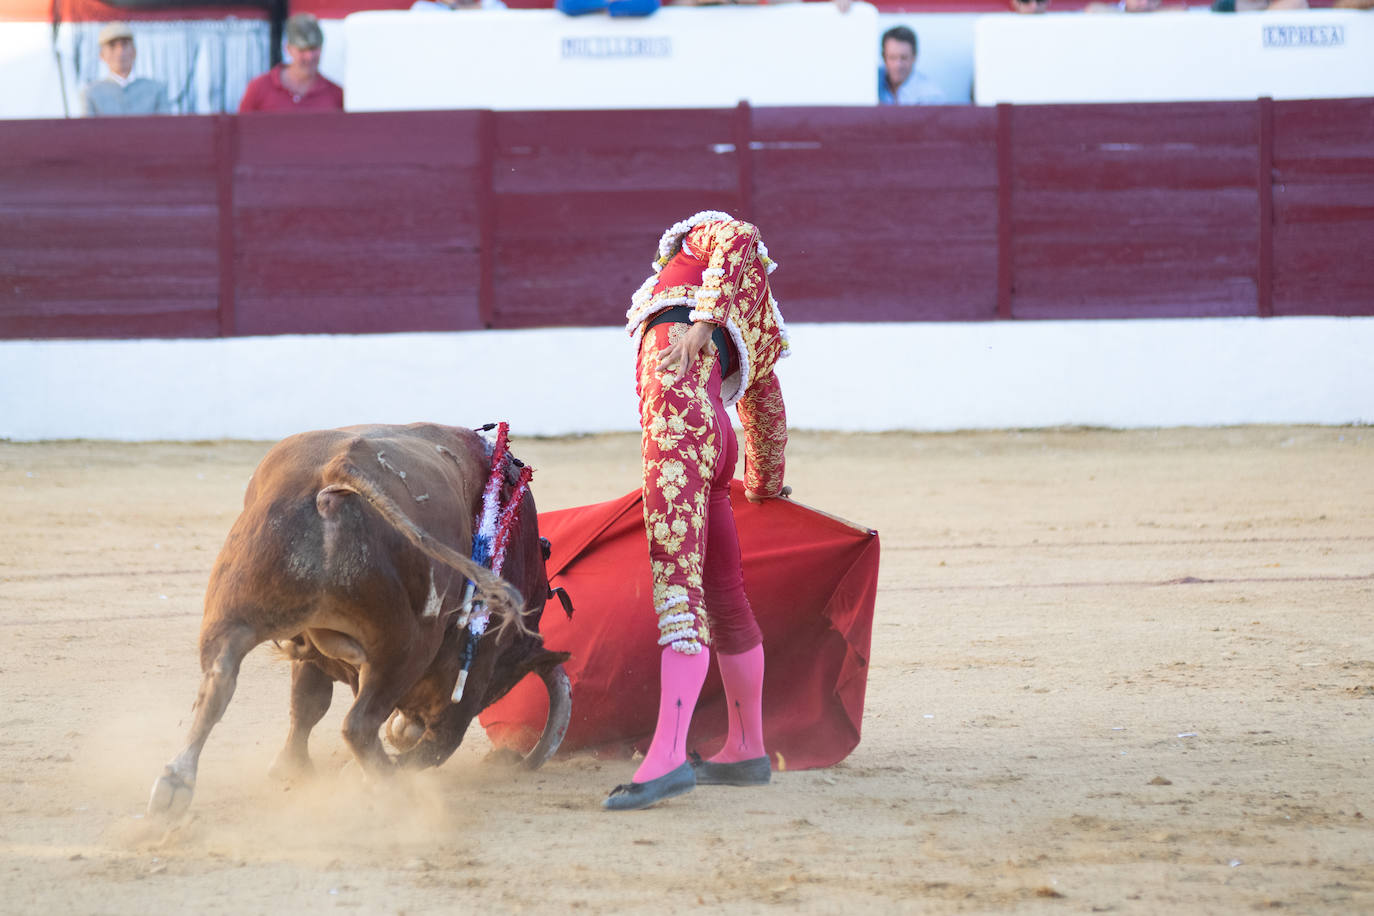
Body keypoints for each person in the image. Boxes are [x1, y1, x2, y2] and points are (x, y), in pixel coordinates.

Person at [603, 211, 791, 811]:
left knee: (678, 587)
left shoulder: (699, 242)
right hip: (717, 436)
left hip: (679, 416)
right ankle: (746, 748)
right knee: (725, 594)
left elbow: (738, 233)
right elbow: (766, 409)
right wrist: (764, 485)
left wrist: (704, 325)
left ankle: (668, 757)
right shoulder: (757, 314)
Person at [238, 14, 343, 113]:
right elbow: (241, 129)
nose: (309, 56)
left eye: (314, 48)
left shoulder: (336, 95)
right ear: (288, 49)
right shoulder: (259, 88)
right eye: (302, 50)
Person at [81, 23, 171, 117]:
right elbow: (87, 130)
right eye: (112, 46)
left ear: (134, 51)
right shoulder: (91, 93)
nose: (120, 52)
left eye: (125, 45)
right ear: (102, 55)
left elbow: (166, 128)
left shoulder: (156, 90)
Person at [878, 26, 945, 106]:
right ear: (883, 57)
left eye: (904, 58)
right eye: (892, 57)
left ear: (914, 57)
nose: (898, 65)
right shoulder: (871, 81)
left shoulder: (930, 96)